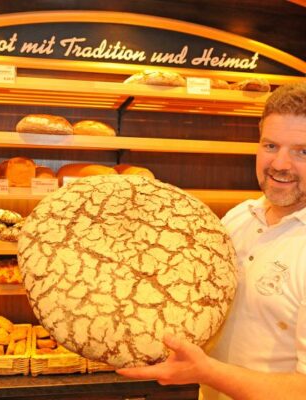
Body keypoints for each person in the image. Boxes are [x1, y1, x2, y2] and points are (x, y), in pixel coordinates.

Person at [116, 82, 306, 400]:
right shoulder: (238, 219)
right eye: (271, 146)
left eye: (302, 151)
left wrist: (205, 371)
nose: (280, 164)